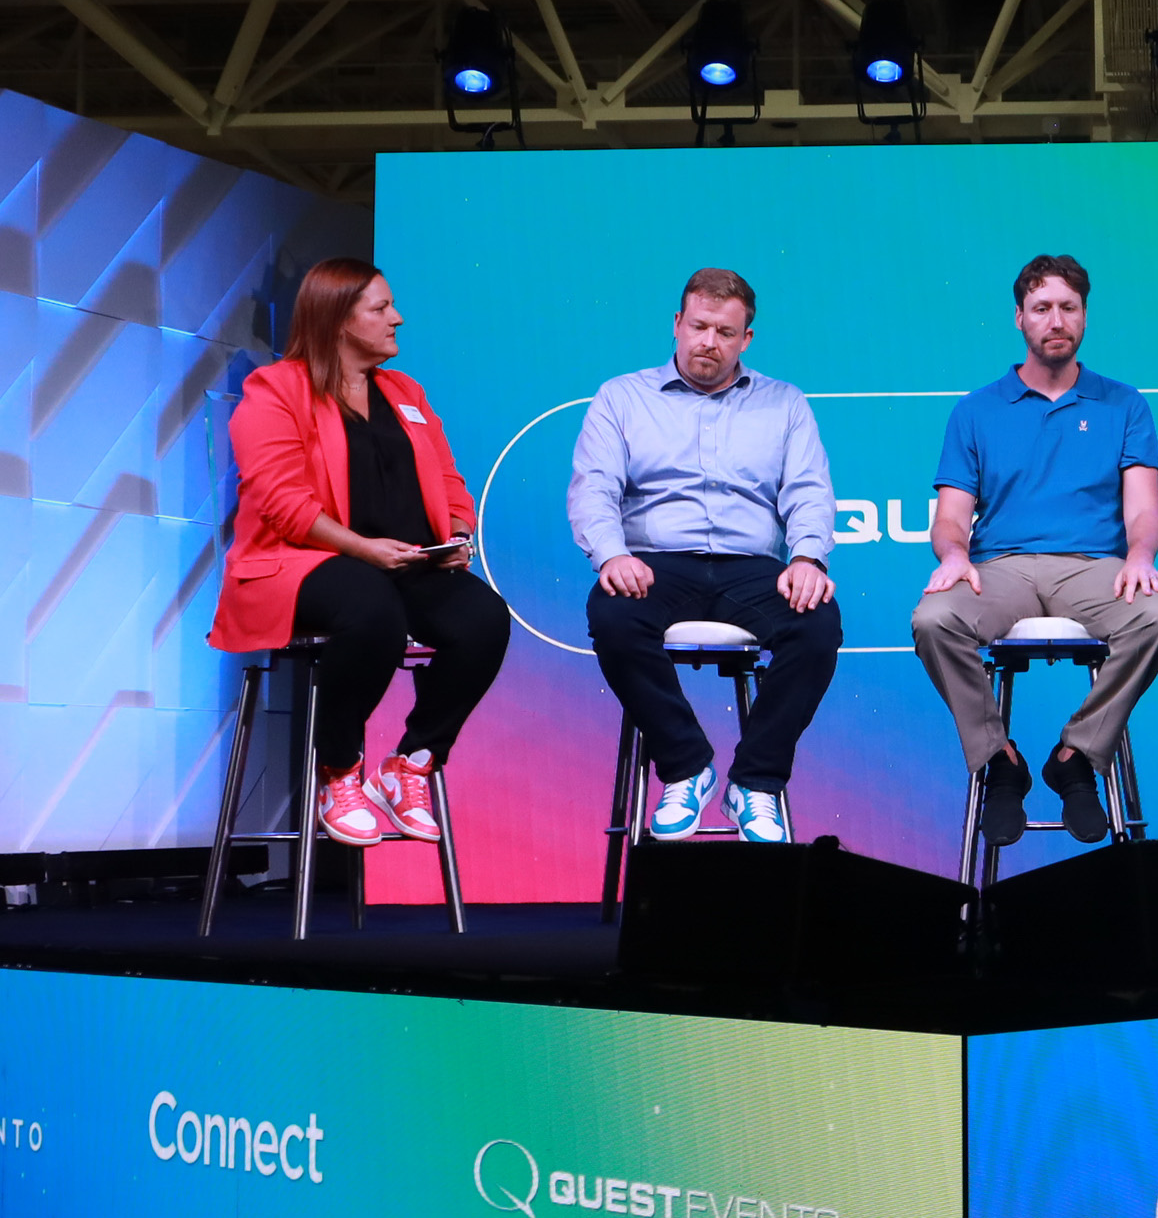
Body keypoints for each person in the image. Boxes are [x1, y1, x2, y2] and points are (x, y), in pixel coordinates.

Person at [213, 257, 513, 847]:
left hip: (402, 564)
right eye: (380, 308)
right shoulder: (275, 390)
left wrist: (456, 532)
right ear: (338, 319)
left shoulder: (404, 392)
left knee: (482, 619)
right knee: (373, 608)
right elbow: (282, 505)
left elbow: (448, 480)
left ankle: (410, 765)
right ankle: (339, 769)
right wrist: (363, 550)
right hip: (301, 564)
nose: (396, 318)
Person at [912, 251, 1158, 850]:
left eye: (1068, 307)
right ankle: (998, 756)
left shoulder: (1124, 404)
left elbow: (1142, 508)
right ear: (1019, 319)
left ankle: (1077, 756)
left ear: (1084, 317)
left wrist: (1141, 556)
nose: (1055, 320)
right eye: (1042, 308)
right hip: (1000, 567)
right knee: (933, 619)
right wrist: (953, 556)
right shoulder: (976, 410)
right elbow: (951, 517)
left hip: (1094, 567)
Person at [568, 267, 842, 844]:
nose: (708, 342)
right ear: (677, 324)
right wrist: (611, 554)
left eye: (724, 331)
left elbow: (810, 492)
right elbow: (594, 488)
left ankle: (756, 782)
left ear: (746, 339)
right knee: (613, 616)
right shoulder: (623, 397)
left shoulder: (784, 403)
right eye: (698, 326)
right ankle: (687, 766)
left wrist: (809, 559)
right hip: (654, 562)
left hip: (752, 568)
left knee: (818, 624)